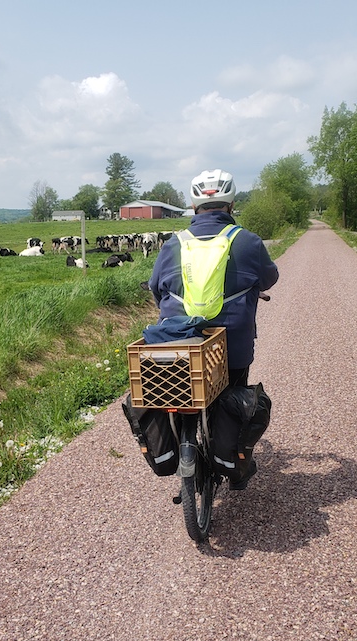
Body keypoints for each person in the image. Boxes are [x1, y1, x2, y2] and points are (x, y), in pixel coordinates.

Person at [148, 168, 279, 488]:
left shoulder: (172, 245)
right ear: (231, 204)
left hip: (178, 344)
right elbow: (270, 278)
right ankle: (232, 461)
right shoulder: (247, 241)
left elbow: (155, 287)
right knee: (233, 389)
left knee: (172, 389)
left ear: (194, 207)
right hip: (231, 345)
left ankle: (180, 440)